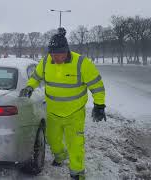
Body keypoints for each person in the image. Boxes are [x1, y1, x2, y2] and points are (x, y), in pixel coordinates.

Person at [20, 27, 106, 180]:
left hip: (75, 113)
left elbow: (96, 85)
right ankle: (60, 156)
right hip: (53, 112)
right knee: (53, 140)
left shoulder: (81, 63)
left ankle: (77, 173)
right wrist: (29, 87)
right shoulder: (46, 61)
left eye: (59, 54)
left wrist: (99, 105)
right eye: (52, 54)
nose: (55, 58)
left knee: (75, 145)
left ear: (66, 51)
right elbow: (36, 76)